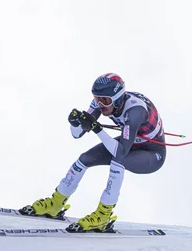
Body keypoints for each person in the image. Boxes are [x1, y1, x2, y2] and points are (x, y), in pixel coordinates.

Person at [20, 73, 167, 232]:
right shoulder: (103, 102)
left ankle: (104, 215)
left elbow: (121, 152)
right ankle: (56, 203)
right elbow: (77, 134)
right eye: (97, 99)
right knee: (85, 159)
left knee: (119, 161)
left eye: (105, 100)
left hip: (152, 153)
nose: (100, 104)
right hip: (130, 142)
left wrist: (97, 129)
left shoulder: (135, 110)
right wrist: (75, 123)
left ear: (117, 99)